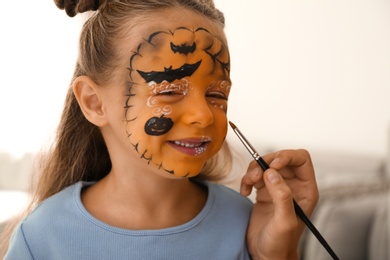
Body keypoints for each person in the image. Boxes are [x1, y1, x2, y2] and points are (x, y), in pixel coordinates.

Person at [2, 0, 319, 259]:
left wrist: (276, 255)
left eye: (217, 95)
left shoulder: (247, 224)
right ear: (94, 102)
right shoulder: (42, 237)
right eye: (168, 91)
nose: (203, 115)